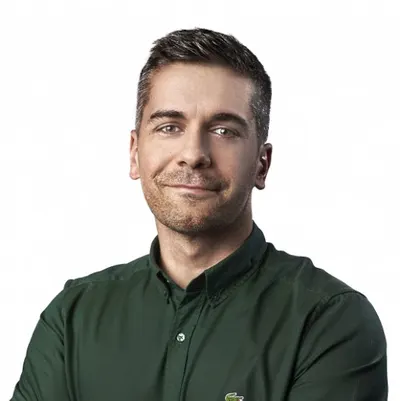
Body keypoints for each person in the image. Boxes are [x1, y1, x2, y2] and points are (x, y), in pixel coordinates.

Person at [11, 28, 387, 401]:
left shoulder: (329, 321)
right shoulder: (72, 318)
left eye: (223, 130)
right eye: (169, 127)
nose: (193, 154)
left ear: (262, 163)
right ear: (134, 153)